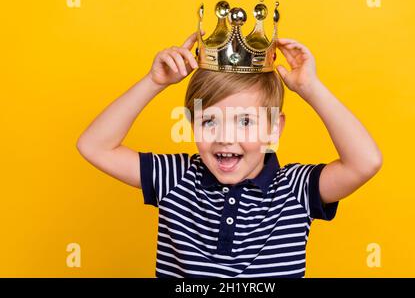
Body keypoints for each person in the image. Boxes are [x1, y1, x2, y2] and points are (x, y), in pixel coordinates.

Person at [76, 30, 383, 278]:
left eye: (245, 121)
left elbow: (365, 162)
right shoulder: (175, 178)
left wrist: (312, 88)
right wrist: (153, 82)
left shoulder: (295, 189)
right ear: (192, 125)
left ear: (274, 129)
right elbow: (94, 146)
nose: (225, 137)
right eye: (210, 121)